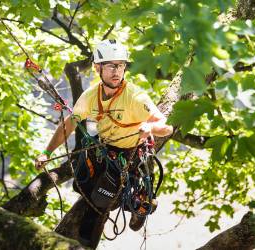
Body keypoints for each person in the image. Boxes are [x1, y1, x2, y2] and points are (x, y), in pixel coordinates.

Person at [35, 39, 173, 237]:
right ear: (97, 68)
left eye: (121, 65)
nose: (117, 71)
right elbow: (70, 123)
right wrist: (47, 152)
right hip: (104, 146)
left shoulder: (135, 96)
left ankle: (136, 202)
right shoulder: (91, 96)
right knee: (79, 184)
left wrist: (150, 126)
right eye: (111, 66)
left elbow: (166, 127)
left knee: (103, 197)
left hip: (129, 152)